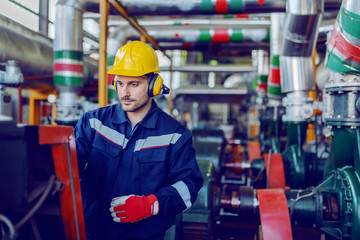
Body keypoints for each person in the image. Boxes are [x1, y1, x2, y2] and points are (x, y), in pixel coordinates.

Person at [74, 41, 203, 240]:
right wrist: (86, 206)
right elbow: (68, 168)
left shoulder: (175, 135)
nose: (125, 93)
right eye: (120, 83)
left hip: (145, 235)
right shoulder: (94, 123)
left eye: (134, 84)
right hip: (92, 233)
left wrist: (151, 204)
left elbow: (189, 186)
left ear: (153, 86)